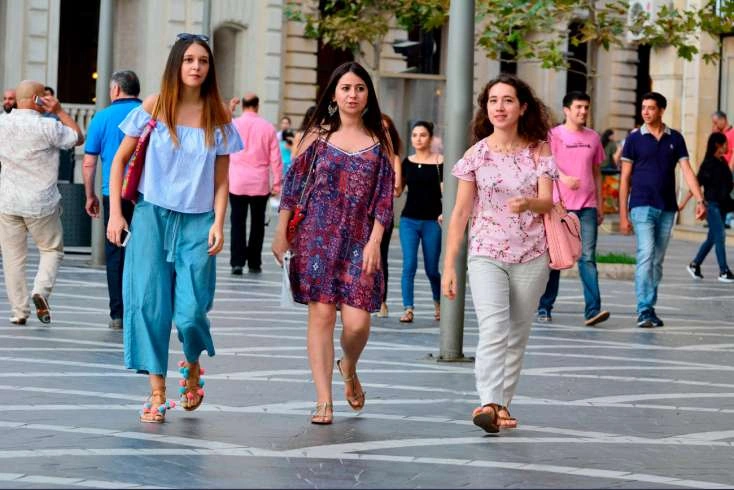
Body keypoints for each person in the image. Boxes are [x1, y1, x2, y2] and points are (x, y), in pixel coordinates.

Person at [106, 33, 243, 423]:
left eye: (203, 61)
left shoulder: (218, 116)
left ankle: (192, 362)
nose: (196, 67)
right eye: (189, 60)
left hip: (198, 222)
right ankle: (157, 391)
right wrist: (116, 214)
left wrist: (219, 222)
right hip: (151, 215)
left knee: (191, 311)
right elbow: (119, 161)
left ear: (210, 68)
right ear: (176, 64)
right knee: (148, 303)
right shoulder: (154, 105)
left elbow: (222, 179)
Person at [272, 61, 394, 425]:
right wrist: (281, 232)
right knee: (322, 314)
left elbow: (385, 197)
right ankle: (323, 400)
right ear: (334, 95)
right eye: (346, 88)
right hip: (317, 236)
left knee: (357, 324)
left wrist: (375, 241)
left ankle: (349, 365)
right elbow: (293, 186)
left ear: (368, 94)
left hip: (360, 240)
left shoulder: (379, 141)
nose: (352, 95)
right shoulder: (317, 137)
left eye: (359, 88)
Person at [442, 74, 556, 434]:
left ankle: (503, 403)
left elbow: (547, 201)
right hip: (486, 252)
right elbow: (461, 212)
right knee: (493, 329)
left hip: (532, 253)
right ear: (486, 108)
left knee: (517, 334)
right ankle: (489, 402)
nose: (499, 107)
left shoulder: (539, 150)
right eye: (493, 101)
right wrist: (450, 265)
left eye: (507, 100)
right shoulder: (475, 155)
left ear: (523, 108)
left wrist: (528, 203)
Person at [619, 91, 706, 328]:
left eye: (651, 108)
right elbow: (624, 179)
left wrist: (700, 200)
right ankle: (644, 309)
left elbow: (687, 170)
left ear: (661, 110)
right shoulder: (634, 139)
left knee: (657, 260)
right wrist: (623, 215)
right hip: (641, 205)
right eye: (643, 108)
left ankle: (650, 306)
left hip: (667, 207)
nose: (645, 112)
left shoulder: (675, 138)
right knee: (646, 254)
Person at [0, 80, 83, 325]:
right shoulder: (48, 126)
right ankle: (41, 291)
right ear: (38, 99)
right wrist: (59, 111)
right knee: (51, 250)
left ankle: (19, 311)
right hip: (40, 202)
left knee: (13, 258)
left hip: (8, 200)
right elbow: (78, 138)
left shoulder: (2, 123)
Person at [536, 92, 610, 327]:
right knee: (557, 258)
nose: (583, 111)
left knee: (588, 258)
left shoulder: (594, 138)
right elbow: (544, 166)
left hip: (587, 207)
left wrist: (599, 204)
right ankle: (544, 306)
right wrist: (564, 178)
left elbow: (597, 173)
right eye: (578, 107)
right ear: (566, 110)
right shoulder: (553, 136)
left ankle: (593, 311)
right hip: (560, 207)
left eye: (586, 107)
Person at [82, 70, 142, 330]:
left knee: (116, 252)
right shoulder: (149, 114)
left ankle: (118, 312)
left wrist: (90, 195)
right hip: (146, 195)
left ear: (116, 89)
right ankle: (142, 308)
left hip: (114, 195)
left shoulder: (102, 117)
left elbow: (88, 163)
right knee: (144, 250)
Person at [228, 93, 282, 275]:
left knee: (237, 222)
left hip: (237, 181)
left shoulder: (234, 124)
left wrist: (229, 110)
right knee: (258, 224)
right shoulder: (268, 127)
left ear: (243, 105)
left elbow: (220, 135)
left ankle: (237, 262)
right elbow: (276, 159)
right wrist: (277, 184)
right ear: (257, 106)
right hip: (260, 182)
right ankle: (254, 262)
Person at [398, 120, 443, 324]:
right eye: (415, 135)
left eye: (423, 135)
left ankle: (439, 303)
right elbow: (398, 191)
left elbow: (447, 192)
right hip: (409, 220)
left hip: (433, 221)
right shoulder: (406, 162)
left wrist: (446, 212)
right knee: (409, 265)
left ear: (430, 138)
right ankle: (408, 308)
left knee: (432, 269)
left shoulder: (440, 162)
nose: (418, 139)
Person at [679, 132, 734, 282]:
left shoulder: (723, 162)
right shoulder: (708, 164)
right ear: (718, 145)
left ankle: (695, 264)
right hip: (711, 206)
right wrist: (683, 204)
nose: (727, 147)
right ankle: (724, 271)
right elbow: (695, 185)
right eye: (725, 144)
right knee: (720, 236)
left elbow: (727, 184)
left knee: (712, 238)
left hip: (723, 205)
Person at [376, 114, 403, 318]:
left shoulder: (394, 158)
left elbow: (398, 190)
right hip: (360, 215)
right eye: (379, 128)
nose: (382, 132)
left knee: (381, 257)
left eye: (386, 129)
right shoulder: (365, 153)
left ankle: (382, 301)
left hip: (383, 213)